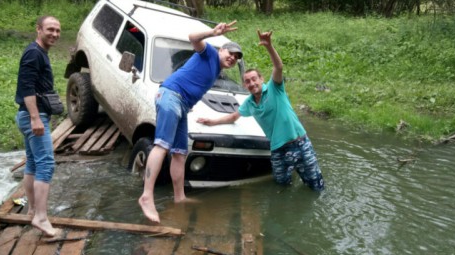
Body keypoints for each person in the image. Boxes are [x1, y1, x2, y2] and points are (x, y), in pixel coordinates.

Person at [138, 21, 241, 223]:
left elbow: (193, 81)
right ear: (222, 50)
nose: (232, 58)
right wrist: (213, 32)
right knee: (162, 145)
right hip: (171, 96)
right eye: (231, 53)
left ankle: (180, 197)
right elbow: (193, 38)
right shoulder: (209, 52)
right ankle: (147, 195)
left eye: (236, 59)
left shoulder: (215, 70)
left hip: (182, 105)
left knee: (179, 153)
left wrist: (188, 104)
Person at [198, 30, 324, 192]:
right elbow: (233, 117)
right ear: (244, 85)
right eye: (247, 82)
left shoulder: (275, 89)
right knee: (281, 187)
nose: (251, 83)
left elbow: (278, 66)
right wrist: (212, 122)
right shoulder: (249, 103)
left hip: (299, 144)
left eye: (254, 79)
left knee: (316, 186)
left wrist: (269, 46)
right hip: (277, 150)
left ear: (261, 79)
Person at [15, 16, 62, 238]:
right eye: (50, 29)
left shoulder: (39, 52)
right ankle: (41, 217)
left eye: (58, 30)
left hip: (28, 115)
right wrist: (35, 118)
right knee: (46, 164)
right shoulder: (34, 53)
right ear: (38, 29)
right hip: (33, 115)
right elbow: (26, 87)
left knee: (33, 162)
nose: (54, 34)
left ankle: (33, 210)